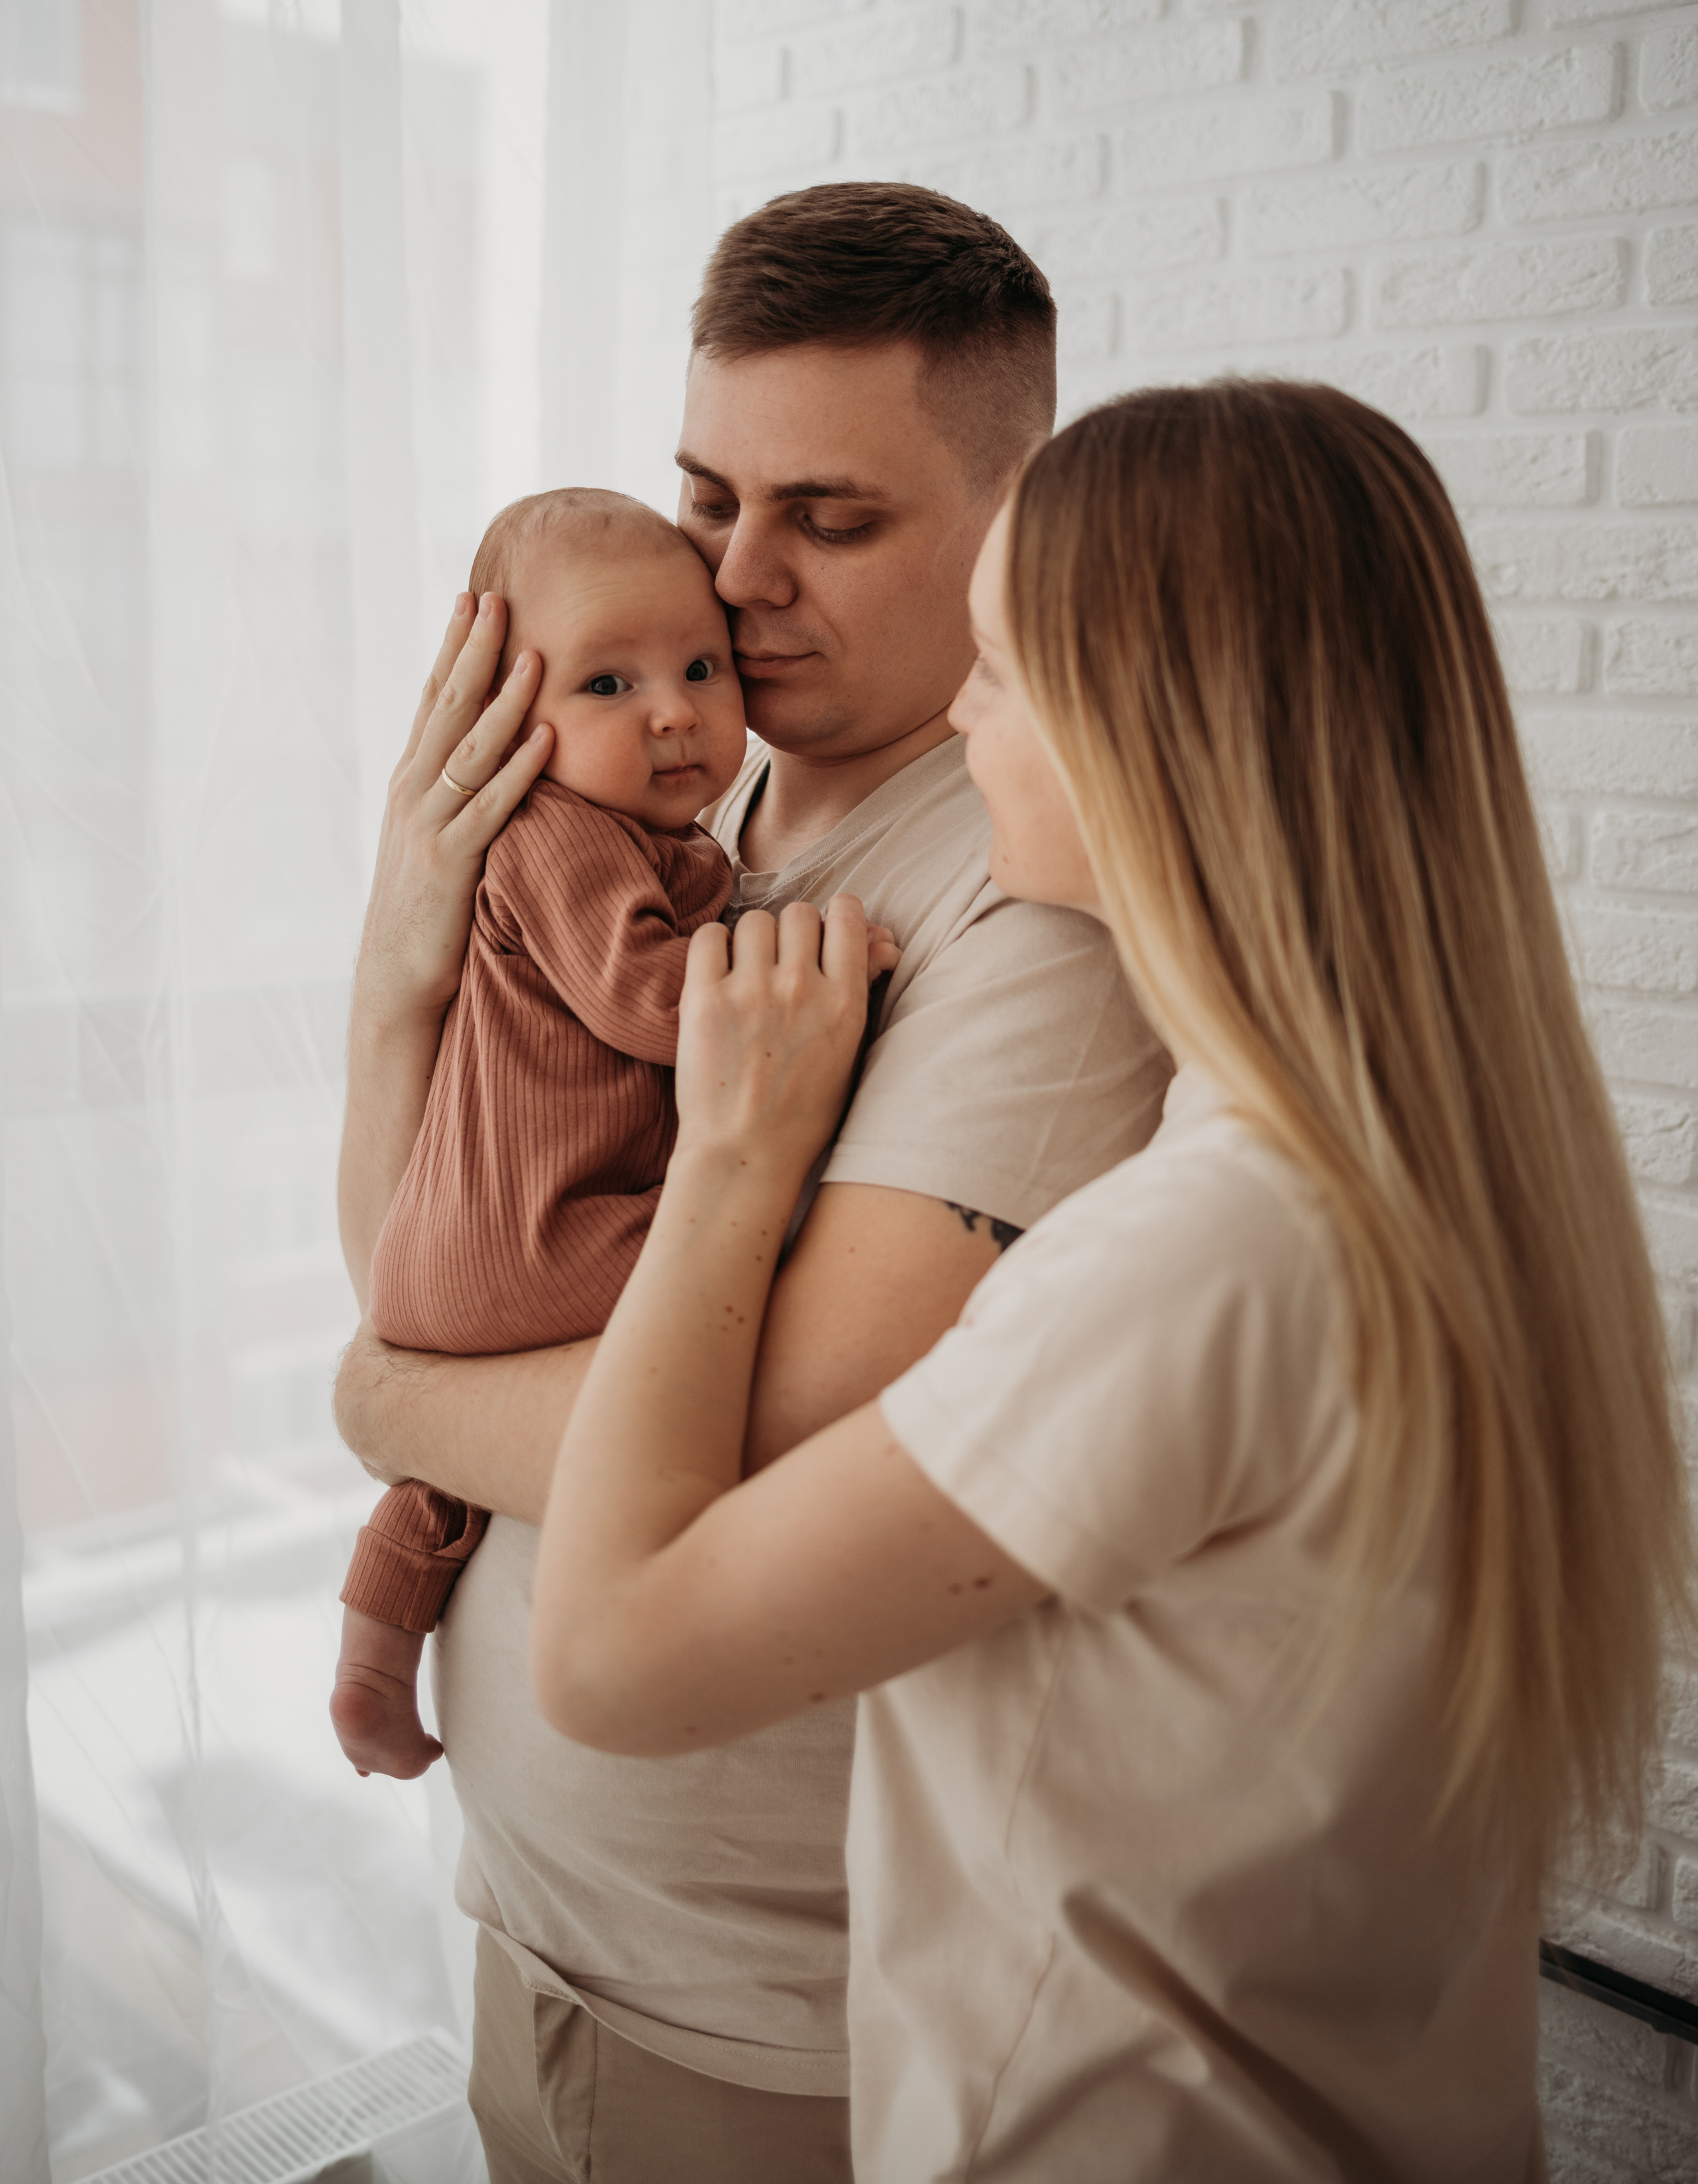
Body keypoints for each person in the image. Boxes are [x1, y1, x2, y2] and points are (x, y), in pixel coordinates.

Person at [525, 379, 1693, 2183]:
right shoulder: (1463, 1187)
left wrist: (729, 1167)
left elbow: (610, 1658)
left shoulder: (1195, 1263)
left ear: (1143, 731)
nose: (966, 730)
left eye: (996, 673)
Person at [332, 186, 1171, 2181]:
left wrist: (383, 1407)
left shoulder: (1024, 897)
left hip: (778, 2019)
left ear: (1017, 503)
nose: (734, 577)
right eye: (707, 491)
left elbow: (774, 1445)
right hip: (543, 1927)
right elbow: (422, 1238)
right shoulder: (676, 785)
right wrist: (404, 947)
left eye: (832, 515)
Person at [328, 489, 751, 1781]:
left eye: (698, 666)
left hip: (450, 1265)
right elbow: (648, 1002)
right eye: (609, 684)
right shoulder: (561, 838)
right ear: (505, 715)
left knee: (439, 1480)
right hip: (536, 1233)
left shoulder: (639, 831)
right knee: (735, 1283)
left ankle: (371, 1664)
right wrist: (794, 976)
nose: (672, 712)